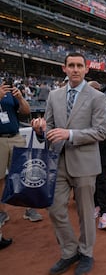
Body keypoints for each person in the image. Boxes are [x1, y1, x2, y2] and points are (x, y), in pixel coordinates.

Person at [31, 52, 106, 275]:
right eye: (71, 65)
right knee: (54, 208)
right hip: (58, 162)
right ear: (64, 69)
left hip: (84, 162)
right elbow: (49, 128)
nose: (75, 69)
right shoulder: (54, 96)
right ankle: (69, 251)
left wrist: (70, 134)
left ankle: (86, 253)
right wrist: (40, 129)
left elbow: (101, 132)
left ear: (86, 69)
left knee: (86, 213)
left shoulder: (96, 97)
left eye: (79, 66)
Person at [0, 78, 43, 229]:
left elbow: (26, 111)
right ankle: (2, 212)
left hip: (15, 136)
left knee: (24, 175)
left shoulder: (8, 93)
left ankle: (29, 209)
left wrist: (19, 97)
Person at [88, 81, 106, 230]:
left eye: (97, 91)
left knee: (104, 180)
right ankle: (95, 206)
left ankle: (105, 214)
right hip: (87, 150)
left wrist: (105, 120)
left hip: (104, 150)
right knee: (91, 181)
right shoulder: (82, 108)